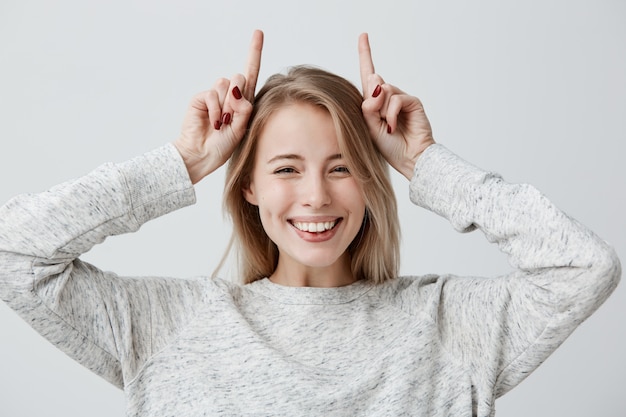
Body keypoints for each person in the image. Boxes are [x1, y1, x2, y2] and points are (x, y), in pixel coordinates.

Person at [0, 29, 620, 416]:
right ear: (248, 185)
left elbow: (583, 267)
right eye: (288, 168)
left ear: (375, 181)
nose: (316, 197)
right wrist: (182, 164)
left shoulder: (450, 327)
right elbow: (14, 253)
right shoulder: (166, 328)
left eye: (344, 167)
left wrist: (427, 164)